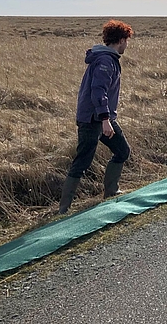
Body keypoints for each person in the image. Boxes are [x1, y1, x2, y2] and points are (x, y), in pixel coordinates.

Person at [59, 20, 134, 214]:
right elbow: (98, 92)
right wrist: (105, 120)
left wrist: (106, 118)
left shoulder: (108, 59)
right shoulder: (105, 61)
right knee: (83, 161)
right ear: (120, 40)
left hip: (102, 117)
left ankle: (111, 191)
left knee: (122, 151)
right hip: (93, 119)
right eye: (127, 40)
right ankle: (63, 209)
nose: (127, 45)